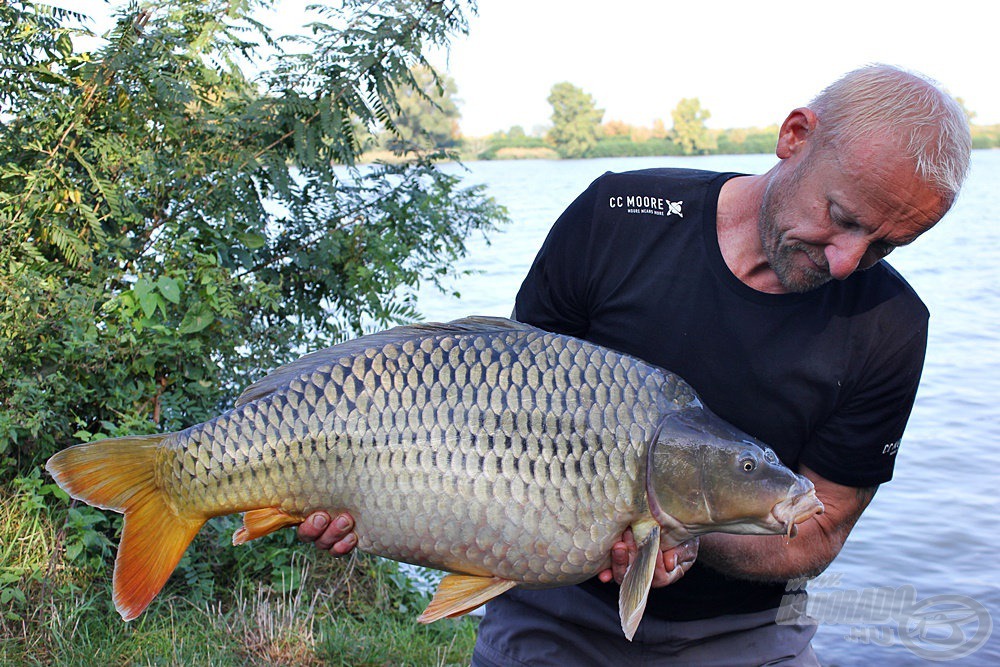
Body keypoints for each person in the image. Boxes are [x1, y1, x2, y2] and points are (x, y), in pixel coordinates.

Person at [297, 64, 971, 665]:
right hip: (554, 611)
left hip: (740, 634)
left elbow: (817, 530)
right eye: (842, 216)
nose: (848, 260)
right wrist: (376, 498)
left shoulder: (891, 325)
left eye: (887, 245)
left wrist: (687, 538)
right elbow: (485, 422)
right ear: (795, 135)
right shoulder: (618, 215)